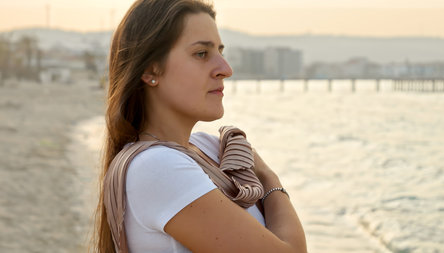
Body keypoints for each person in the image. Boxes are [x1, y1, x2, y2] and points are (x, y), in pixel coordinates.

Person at [92, 0, 307, 252]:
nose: (225, 69)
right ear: (151, 69)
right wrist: (269, 178)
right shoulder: (157, 166)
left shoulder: (209, 146)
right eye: (202, 54)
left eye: (220, 52)